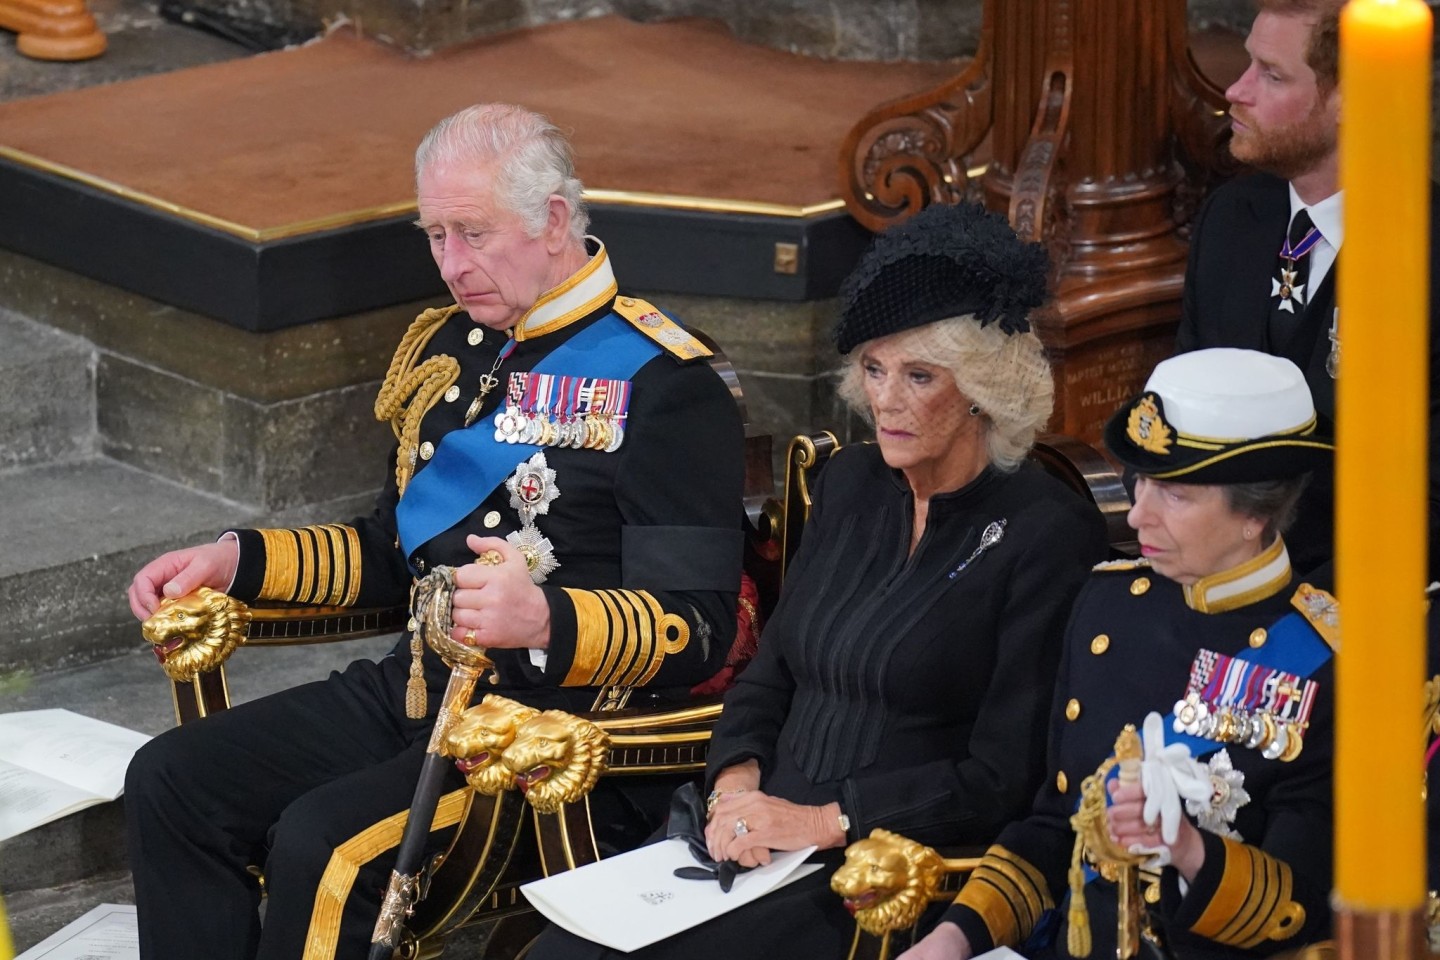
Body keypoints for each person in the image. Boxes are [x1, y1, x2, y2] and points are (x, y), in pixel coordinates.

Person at [122, 103, 746, 960]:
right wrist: (238, 560)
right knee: (171, 780)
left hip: (544, 744)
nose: (452, 266)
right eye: (436, 236)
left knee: (324, 846)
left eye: (474, 234)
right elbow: (391, 553)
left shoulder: (668, 384)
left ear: (554, 219)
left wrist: (547, 622)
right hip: (416, 693)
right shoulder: (452, 351)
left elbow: (700, 627)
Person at [527, 202, 1110, 960]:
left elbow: (1002, 778)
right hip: (755, 838)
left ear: (983, 390)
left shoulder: (1047, 533)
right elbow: (771, 673)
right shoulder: (852, 484)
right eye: (873, 368)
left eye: (919, 376)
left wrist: (824, 822)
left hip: (886, 873)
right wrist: (735, 784)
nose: (885, 399)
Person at [902, 347, 1337, 960]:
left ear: (1257, 515)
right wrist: (954, 938)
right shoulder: (1108, 604)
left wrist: (1186, 848)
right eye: (1140, 483)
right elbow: (1056, 825)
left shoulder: (1329, 660)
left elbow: (1303, 907)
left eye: (1176, 495)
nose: (1137, 514)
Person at [1174, 0, 1440, 576]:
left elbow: (1428, 502)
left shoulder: (1427, 251)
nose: (1236, 91)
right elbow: (1179, 407)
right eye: (1249, 64)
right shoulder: (1231, 217)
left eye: (1271, 75)